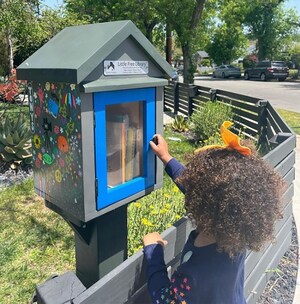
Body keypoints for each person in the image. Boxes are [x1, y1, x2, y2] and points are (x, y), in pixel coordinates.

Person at [143, 121, 285, 304]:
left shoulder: (195, 273)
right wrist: (166, 157)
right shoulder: (236, 236)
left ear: (202, 203)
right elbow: (200, 190)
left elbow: (166, 299)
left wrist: (154, 252)